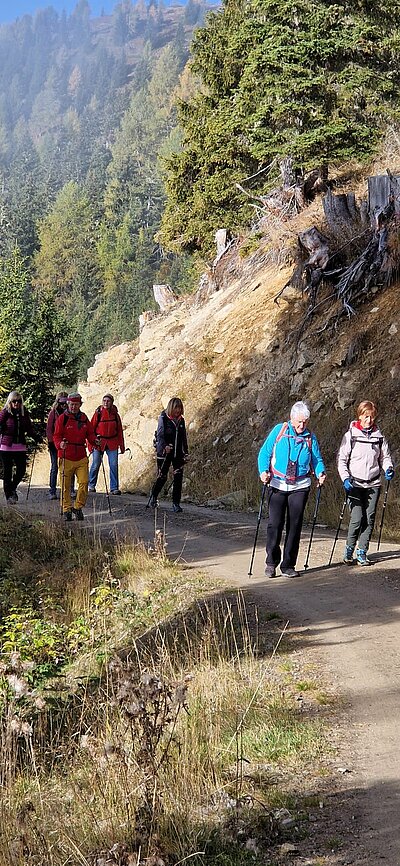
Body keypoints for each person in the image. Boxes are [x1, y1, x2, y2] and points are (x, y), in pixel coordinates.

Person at [258, 401, 326, 578]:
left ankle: (288, 565)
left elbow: (316, 460)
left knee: (294, 526)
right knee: (275, 524)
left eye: (305, 422)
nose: (302, 425)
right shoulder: (279, 431)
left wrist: (321, 472)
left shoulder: (310, 438)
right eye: (299, 422)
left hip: (300, 486)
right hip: (277, 484)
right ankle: (271, 562)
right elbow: (264, 453)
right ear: (291, 418)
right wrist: (263, 471)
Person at [337, 400, 394, 566]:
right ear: (360, 416)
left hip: (373, 483)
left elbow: (385, 457)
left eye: (372, 417)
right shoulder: (350, 436)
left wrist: (388, 468)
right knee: (357, 518)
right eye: (366, 416)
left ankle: (362, 552)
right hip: (354, 484)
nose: (369, 420)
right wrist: (345, 478)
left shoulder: (379, 437)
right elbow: (342, 459)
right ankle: (349, 549)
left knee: (369, 519)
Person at [53, 392, 98, 521]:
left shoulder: (84, 418)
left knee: (84, 482)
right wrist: (60, 444)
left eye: (76, 404)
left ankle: (78, 507)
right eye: (72, 404)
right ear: (68, 404)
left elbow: (90, 433)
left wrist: (95, 441)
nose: (74, 407)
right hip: (66, 455)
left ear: (80, 405)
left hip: (81, 456)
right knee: (65, 485)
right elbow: (56, 436)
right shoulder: (63, 418)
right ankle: (66, 509)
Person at [149, 397, 189, 512]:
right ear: (171, 407)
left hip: (178, 453)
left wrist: (186, 452)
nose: (178, 410)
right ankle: (154, 496)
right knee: (162, 476)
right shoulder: (163, 418)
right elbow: (160, 435)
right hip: (165, 452)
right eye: (176, 408)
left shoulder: (181, 420)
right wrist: (164, 446)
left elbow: (183, 437)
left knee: (178, 477)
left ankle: (176, 503)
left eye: (180, 408)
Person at [0, 391, 36, 504]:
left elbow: (29, 428)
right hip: (6, 446)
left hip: (20, 445)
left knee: (21, 470)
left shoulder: (24, 413)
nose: (16, 403)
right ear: (10, 402)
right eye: (14, 401)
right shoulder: (5, 412)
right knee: (8, 472)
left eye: (19, 401)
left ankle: (12, 488)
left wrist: (36, 437)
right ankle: (9, 496)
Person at [88, 394, 125, 495]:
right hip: (99, 442)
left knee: (113, 465)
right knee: (96, 464)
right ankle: (91, 485)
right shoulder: (98, 413)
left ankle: (114, 488)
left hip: (112, 442)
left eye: (108, 401)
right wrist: (91, 444)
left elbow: (119, 431)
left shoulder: (115, 415)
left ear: (112, 402)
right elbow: (90, 430)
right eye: (104, 401)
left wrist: (122, 446)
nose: (106, 403)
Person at [46, 392, 68, 499]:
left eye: (65, 402)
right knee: (55, 466)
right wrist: (51, 442)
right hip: (54, 443)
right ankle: (52, 491)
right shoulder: (53, 413)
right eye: (61, 402)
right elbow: (49, 428)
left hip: (67, 443)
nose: (64, 405)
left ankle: (69, 490)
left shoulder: (70, 413)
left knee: (68, 467)